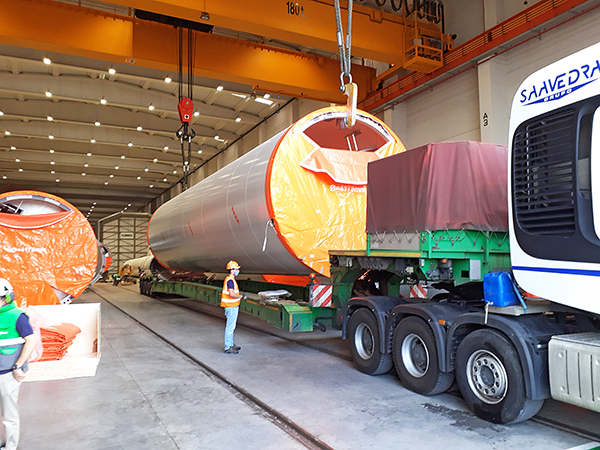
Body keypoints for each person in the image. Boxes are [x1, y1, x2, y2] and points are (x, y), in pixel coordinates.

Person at [0, 278, 37, 450]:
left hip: (7, 373)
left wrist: (18, 366)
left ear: (6, 297)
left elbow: (31, 341)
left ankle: (10, 447)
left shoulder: (17, 316)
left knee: (9, 414)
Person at [221, 261, 246, 354]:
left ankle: (231, 344)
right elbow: (231, 293)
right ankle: (228, 347)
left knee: (232, 326)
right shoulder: (230, 281)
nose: (238, 270)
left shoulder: (231, 280)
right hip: (231, 306)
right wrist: (240, 296)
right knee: (230, 327)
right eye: (236, 269)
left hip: (232, 306)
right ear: (232, 270)